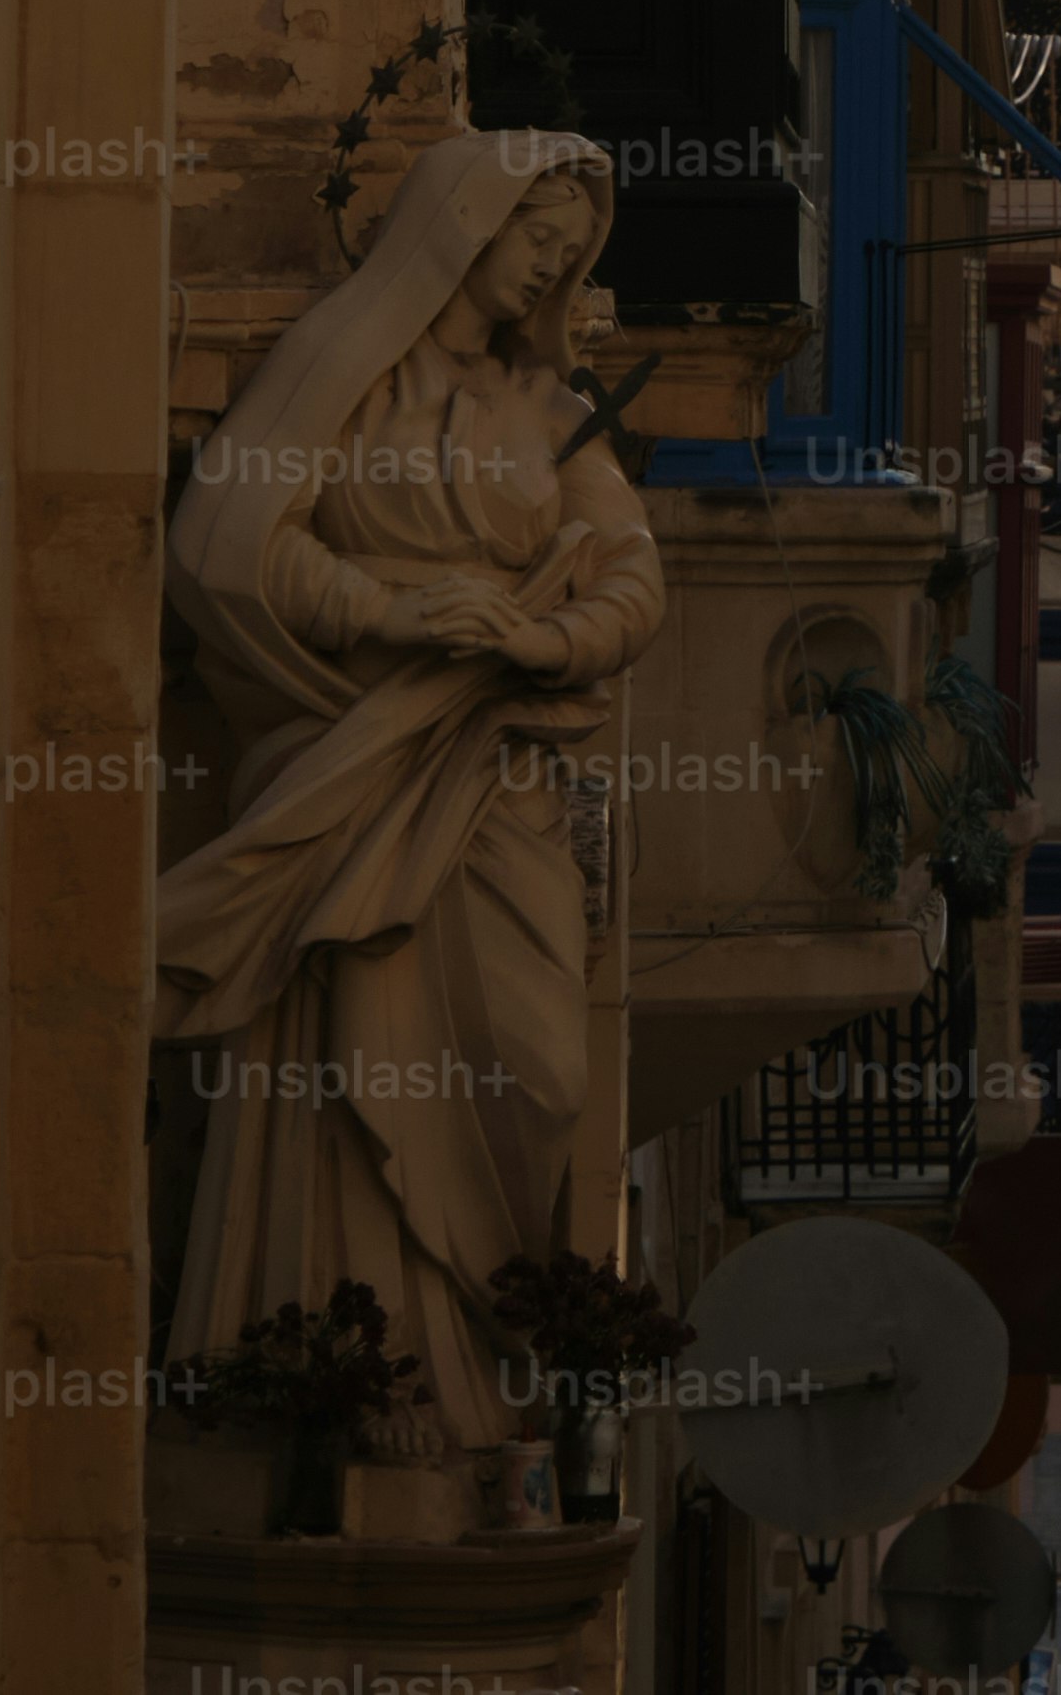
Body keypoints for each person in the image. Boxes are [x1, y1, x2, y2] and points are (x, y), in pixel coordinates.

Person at [153, 131, 669, 1451]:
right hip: (356, 760)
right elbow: (233, 547)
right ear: (464, 224)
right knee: (345, 1055)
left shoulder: (549, 414)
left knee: (533, 1067)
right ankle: (347, 1374)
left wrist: (532, 640)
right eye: (537, 234)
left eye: (571, 248)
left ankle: (480, 1379)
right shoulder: (341, 380)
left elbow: (631, 582)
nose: (553, 262)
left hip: (497, 784)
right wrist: (394, 611)